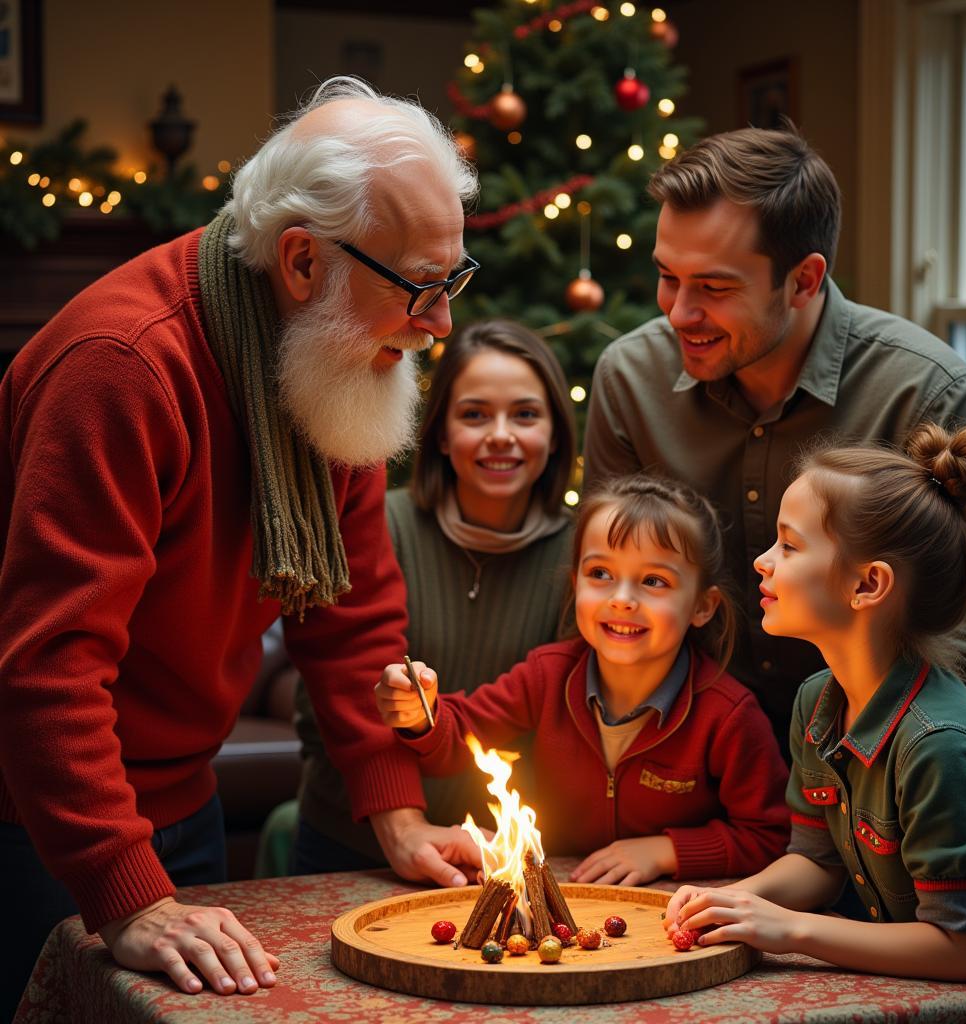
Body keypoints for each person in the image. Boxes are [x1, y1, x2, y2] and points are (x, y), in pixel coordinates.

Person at [0, 76, 484, 1015]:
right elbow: (48, 667)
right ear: (301, 260)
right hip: (38, 825)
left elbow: (351, 620)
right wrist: (125, 887)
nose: (441, 324)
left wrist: (397, 810)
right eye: (421, 288)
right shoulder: (122, 367)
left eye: (454, 280)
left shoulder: (330, 352)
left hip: (181, 802)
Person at [583, 125, 966, 754]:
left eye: (713, 287)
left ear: (804, 280)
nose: (678, 312)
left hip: (869, 776)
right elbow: (605, 573)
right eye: (666, 277)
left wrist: (862, 761)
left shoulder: (924, 390)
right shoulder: (629, 378)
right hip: (686, 760)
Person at [665, 423, 966, 992]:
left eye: (788, 545)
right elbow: (819, 861)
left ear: (868, 585)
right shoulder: (817, 702)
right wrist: (738, 898)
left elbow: (961, 950)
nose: (762, 561)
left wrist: (791, 930)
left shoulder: (941, 745)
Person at [376, 475, 790, 884]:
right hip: (568, 900)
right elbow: (458, 736)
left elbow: (769, 836)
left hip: (674, 913)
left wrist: (666, 852)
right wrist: (420, 712)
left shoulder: (728, 714)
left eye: (653, 581)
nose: (622, 598)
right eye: (600, 574)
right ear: (575, 586)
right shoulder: (548, 675)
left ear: (703, 605)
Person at [290, 319, 577, 872]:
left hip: (499, 855)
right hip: (350, 847)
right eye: (474, 415)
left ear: (556, 433)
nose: (500, 434)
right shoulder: (377, 524)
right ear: (441, 433)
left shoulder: (585, 562)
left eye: (525, 414)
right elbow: (328, 691)